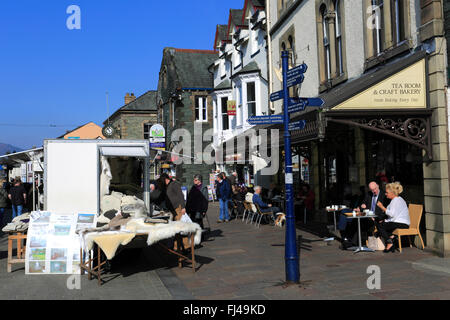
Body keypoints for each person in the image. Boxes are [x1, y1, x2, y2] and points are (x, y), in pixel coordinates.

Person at [375, 182, 410, 253]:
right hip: (400, 222)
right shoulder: (398, 199)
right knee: (381, 223)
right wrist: (385, 220)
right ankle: (392, 238)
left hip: (402, 224)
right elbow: (393, 216)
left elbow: (391, 214)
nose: (385, 194)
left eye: (387, 192)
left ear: (392, 193)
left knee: (380, 225)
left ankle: (389, 242)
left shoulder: (396, 201)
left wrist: (382, 207)